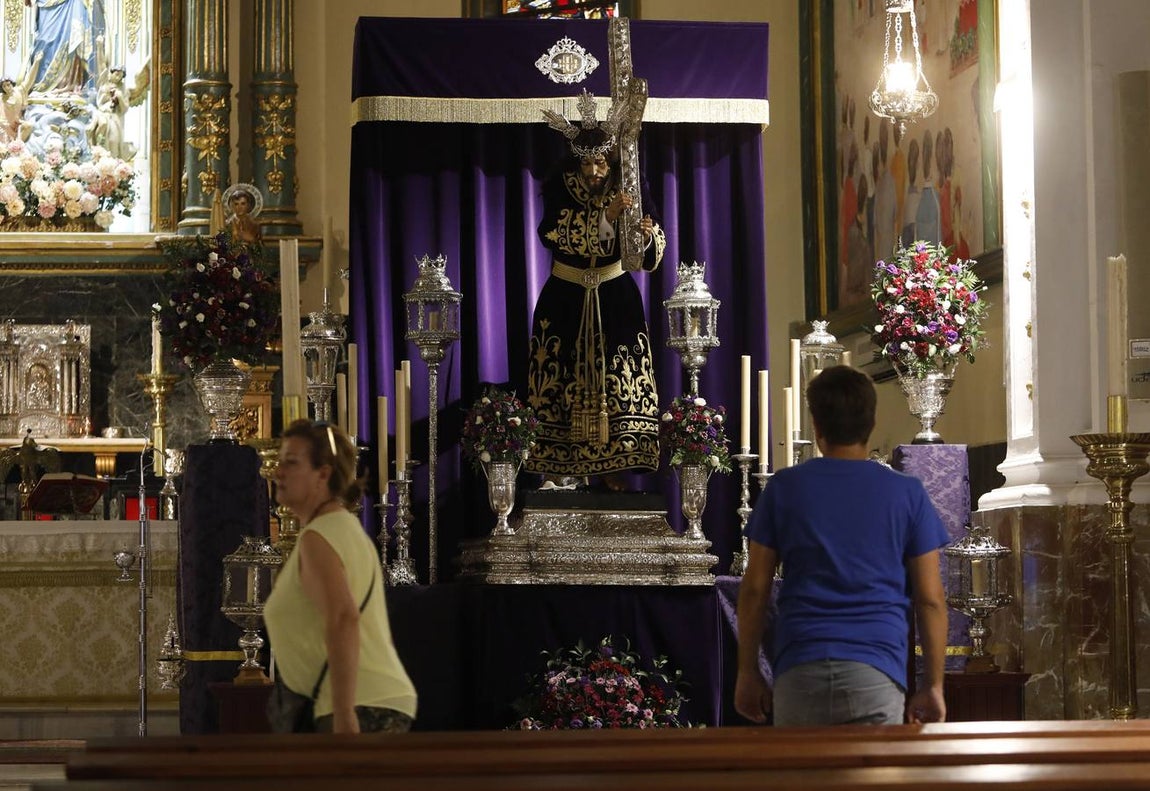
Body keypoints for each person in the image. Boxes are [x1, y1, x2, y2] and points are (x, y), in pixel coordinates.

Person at [734, 366, 949, 727]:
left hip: (799, 664)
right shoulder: (907, 493)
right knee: (872, 783)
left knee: (804, 783)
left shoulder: (784, 488)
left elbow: (755, 590)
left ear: (816, 426)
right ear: (872, 421)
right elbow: (930, 599)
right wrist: (934, 684)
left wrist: (747, 671)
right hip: (876, 669)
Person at [527, 90, 666, 489]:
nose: (594, 171)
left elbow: (650, 248)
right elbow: (551, 232)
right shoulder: (559, 187)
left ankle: (615, 466)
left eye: (601, 162)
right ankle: (559, 466)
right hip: (566, 295)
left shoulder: (631, 186)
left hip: (615, 294)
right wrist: (604, 216)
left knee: (618, 381)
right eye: (587, 163)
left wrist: (647, 234)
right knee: (560, 378)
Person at [263, 420, 417, 733]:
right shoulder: (342, 529)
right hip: (371, 700)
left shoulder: (319, 537)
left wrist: (345, 715)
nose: (277, 472)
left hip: (355, 706)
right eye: (279, 462)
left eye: (291, 463)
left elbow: (344, 618)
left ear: (324, 473)